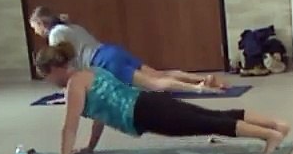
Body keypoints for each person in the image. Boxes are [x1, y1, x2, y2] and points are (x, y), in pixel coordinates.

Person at [30, 43, 289, 154]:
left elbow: (69, 127)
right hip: (147, 104)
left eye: (47, 76)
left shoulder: (74, 85)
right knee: (211, 117)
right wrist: (90, 147)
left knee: (208, 122)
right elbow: (99, 116)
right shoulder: (91, 72)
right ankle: (274, 125)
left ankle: (269, 135)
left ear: (55, 69)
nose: (49, 81)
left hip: (145, 112)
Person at [29, 6, 227, 93]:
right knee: (159, 74)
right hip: (110, 51)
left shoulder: (56, 34)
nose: (35, 31)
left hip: (103, 62)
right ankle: (202, 79)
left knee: (155, 84)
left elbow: (63, 63)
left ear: (40, 22)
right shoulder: (71, 26)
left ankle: (198, 88)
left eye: (34, 27)